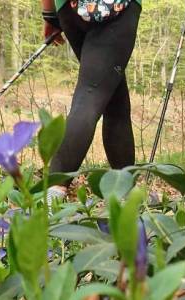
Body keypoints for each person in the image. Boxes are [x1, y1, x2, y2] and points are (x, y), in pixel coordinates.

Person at [41, 0, 141, 198]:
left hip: (68, 10)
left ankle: (127, 192)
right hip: (118, 8)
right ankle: (53, 193)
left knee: (114, 101)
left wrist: (49, 14)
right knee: (91, 93)